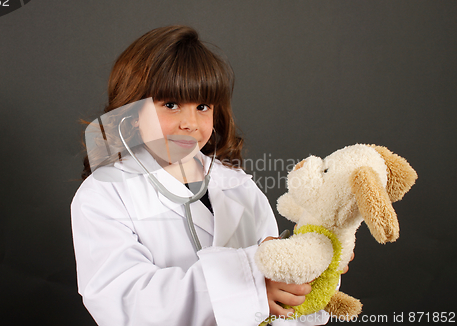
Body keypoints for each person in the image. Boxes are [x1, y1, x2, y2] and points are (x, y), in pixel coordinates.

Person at [71, 25, 330, 326]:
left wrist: (307, 270)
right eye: (170, 105)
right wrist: (249, 286)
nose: (190, 123)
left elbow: (276, 289)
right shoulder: (104, 196)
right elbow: (126, 302)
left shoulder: (238, 186)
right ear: (130, 113)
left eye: (203, 106)